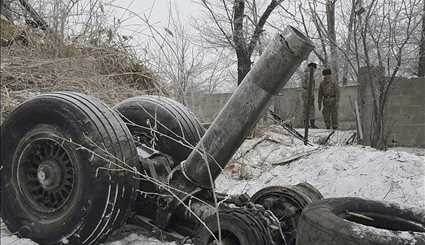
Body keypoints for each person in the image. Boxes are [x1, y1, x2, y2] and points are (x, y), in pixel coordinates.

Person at [302, 62, 317, 128]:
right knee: (310, 109)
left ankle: (307, 124)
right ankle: (311, 124)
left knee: (306, 109)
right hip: (308, 94)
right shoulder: (309, 74)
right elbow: (308, 85)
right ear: (312, 68)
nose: (315, 70)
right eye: (314, 69)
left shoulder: (306, 73)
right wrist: (311, 95)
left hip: (307, 94)